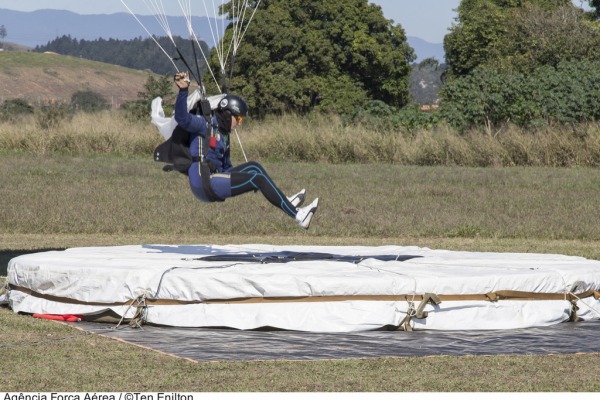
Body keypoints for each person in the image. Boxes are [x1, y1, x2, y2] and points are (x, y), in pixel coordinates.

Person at [172, 71, 319, 229]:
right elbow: (181, 118)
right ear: (228, 114)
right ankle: (298, 215)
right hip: (203, 182)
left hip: (215, 178)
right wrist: (183, 90)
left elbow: (227, 168)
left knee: (254, 167)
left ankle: (284, 201)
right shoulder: (204, 124)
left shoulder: (224, 135)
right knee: (257, 179)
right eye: (239, 118)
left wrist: (243, 179)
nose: (240, 123)